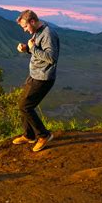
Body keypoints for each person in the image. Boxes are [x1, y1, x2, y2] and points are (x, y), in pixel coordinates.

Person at [13, 10, 59, 152]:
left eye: (26, 27)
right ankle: (29, 135)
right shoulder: (38, 31)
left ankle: (44, 135)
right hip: (34, 75)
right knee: (22, 104)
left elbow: (51, 57)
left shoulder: (48, 34)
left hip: (43, 77)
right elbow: (38, 52)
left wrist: (32, 48)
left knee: (26, 106)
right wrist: (27, 49)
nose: (26, 30)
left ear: (32, 21)